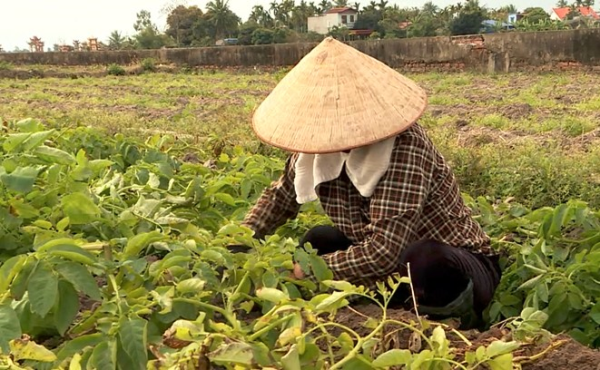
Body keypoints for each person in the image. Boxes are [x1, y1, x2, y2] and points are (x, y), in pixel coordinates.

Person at [237, 37, 502, 330]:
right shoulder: (315, 147)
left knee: (425, 259)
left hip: (455, 268)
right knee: (319, 239)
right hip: (389, 270)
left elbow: (384, 250)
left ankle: (453, 324)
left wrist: (307, 271)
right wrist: (236, 244)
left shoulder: (404, 147)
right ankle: (376, 309)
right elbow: (278, 199)